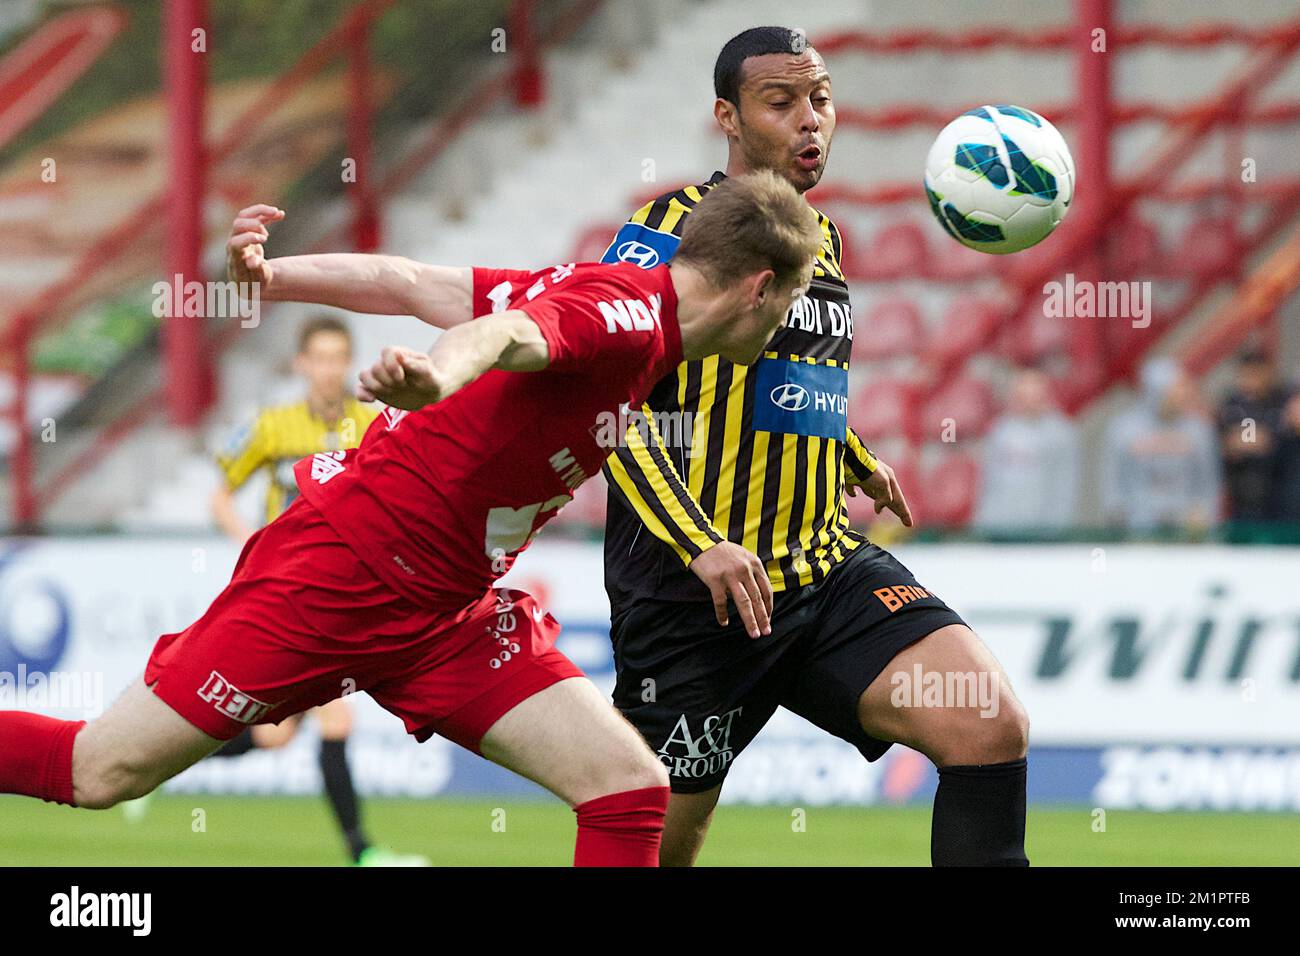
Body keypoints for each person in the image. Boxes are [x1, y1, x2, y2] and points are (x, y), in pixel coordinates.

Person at [0, 171, 821, 867]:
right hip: (338, 573)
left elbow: (410, 283)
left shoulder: (616, 305)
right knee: (99, 771)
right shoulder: (630, 318)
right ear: (761, 286)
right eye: (794, 296)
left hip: (444, 616)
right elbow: (503, 333)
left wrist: (272, 279)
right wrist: (438, 374)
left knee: (630, 790)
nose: (789, 322)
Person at [596, 27, 1029, 866]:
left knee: (987, 722)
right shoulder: (663, 233)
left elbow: (785, 378)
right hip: (694, 602)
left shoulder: (820, 236)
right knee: (653, 852)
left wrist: (850, 451)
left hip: (820, 572)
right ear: (727, 115)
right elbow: (608, 411)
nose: (810, 121)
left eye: (821, 98)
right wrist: (700, 545)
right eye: (781, 101)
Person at [200, 316, 424, 867]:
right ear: (301, 364)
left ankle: (165, 762)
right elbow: (221, 495)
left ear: (348, 363)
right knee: (333, 719)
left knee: (276, 736)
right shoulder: (272, 426)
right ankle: (363, 852)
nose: (328, 370)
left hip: (339, 594)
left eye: (337, 358)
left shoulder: (370, 423)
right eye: (318, 358)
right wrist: (253, 544)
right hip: (284, 592)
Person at [1101, 357, 1221, 535]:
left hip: (1187, 533)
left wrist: (1204, 515)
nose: (1182, 394)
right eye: (1175, 389)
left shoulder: (1199, 431)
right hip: (1138, 531)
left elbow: (1209, 484)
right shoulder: (1123, 430)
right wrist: (1118, 521)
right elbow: (1112, 483)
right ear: (1157, 392)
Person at [973, 369, 1081, 536]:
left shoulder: (1061, 434)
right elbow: (990, 481)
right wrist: (985, 523)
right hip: (1001, 530)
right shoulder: (1001, 431)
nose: (1028, 402)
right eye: (1022, 397)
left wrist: (1056, 528)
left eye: (1034, 396)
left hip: (1044, 532)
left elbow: (1065, 484)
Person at [1215, 348, 1290, 524]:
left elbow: (1274, 441)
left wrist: (1248, 441)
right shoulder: (1231, 403)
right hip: (1241, 495)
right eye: (1245, 374)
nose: (1249, 380)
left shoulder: (1281, 400)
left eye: (1255, 373)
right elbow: (1227, 445)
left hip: (1277, 491)